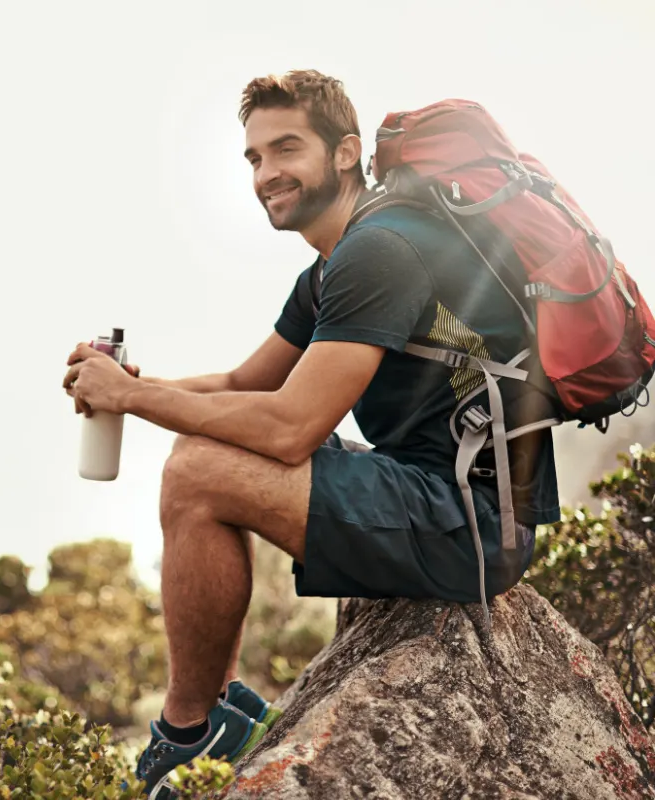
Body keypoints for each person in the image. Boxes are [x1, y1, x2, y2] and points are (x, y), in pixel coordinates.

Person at [61, 70, 560, 798]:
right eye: (254, 158)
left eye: (286, 149)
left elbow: (291, 427)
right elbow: (243, 386)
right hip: (438, 496)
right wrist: (133, 385)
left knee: (198, 471)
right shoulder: (334, 266)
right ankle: (220, 718)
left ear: (346, 153)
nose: (267, 174)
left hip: (472, 526)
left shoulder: (382, 250)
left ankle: (189, 735)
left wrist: (133, 400)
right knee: (200, 454)